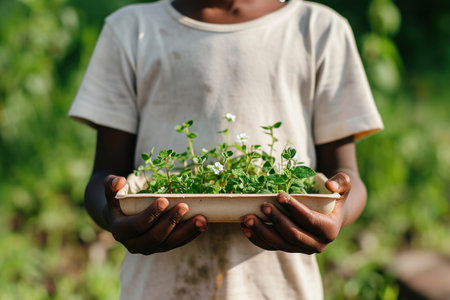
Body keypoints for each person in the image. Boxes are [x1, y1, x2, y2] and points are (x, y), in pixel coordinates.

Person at [69, 0, 383, 298]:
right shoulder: (130, 30)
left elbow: (347, 177)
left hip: (280, 289)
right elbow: (103, 178)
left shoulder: (318, 29)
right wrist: (116, 217)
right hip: (158, 289)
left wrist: (335, 214)